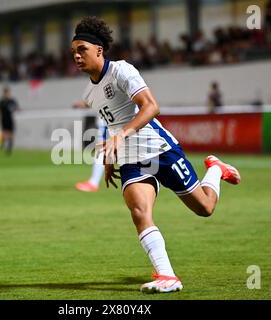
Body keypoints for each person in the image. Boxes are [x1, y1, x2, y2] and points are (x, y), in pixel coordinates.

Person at [71, 16, 241, 293]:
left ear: (99, 50)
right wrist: (110, 158)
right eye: (74, 52)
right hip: (130, 159)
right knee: (139, 211)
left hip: (159, 150)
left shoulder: (122, 71)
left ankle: (215, 169)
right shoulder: (90, 93)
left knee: (204, 208)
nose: (77, 56)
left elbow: (151, 107)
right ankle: (167, 276)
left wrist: (122, 135)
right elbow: (113, 124)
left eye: (82, 50)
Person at [73, 101, 106, 192]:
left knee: (101, 153)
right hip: (107, 124)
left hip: (110, 125)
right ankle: (93, 182)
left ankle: (93, 183)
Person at [0, 86, 20, 155]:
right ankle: (2, 146)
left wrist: (16, 109)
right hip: (3, 119)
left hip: (10, 119)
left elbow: (17, 108)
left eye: (6, 92)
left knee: (11, 134)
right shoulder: (1, 102)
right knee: (4, 133)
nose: (5, 94)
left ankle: (9, 149)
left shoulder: (11, 101)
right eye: (5, 92)